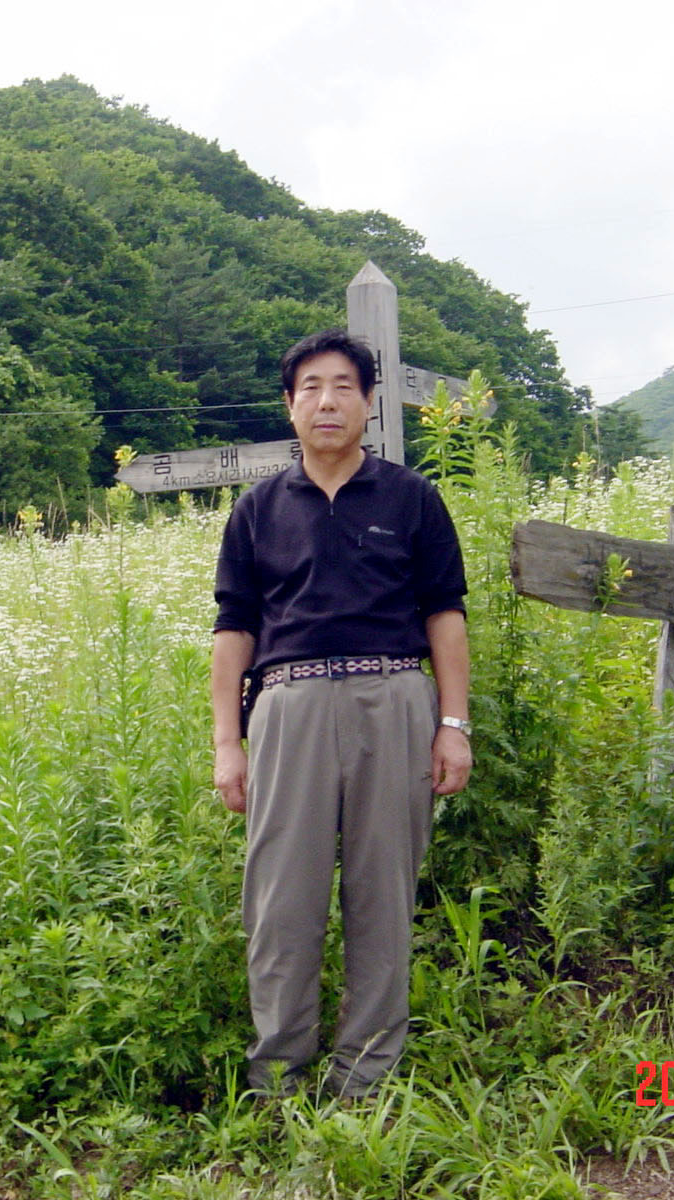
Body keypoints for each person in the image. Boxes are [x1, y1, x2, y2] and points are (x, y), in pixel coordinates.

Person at [211, 328, 472, 1099]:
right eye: (311, 388)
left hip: (392, 701)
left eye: (344, 387)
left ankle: (365, 1078)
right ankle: (278, 1077)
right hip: (286, 707)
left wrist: (453, 725)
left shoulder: (412, 498)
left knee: (381, 897)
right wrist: (227, 742)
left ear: (368, 402)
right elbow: (234, 628)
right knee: (280, 901)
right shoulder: (257, 510)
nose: (327, 402)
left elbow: (445, 615)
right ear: (290, 405)